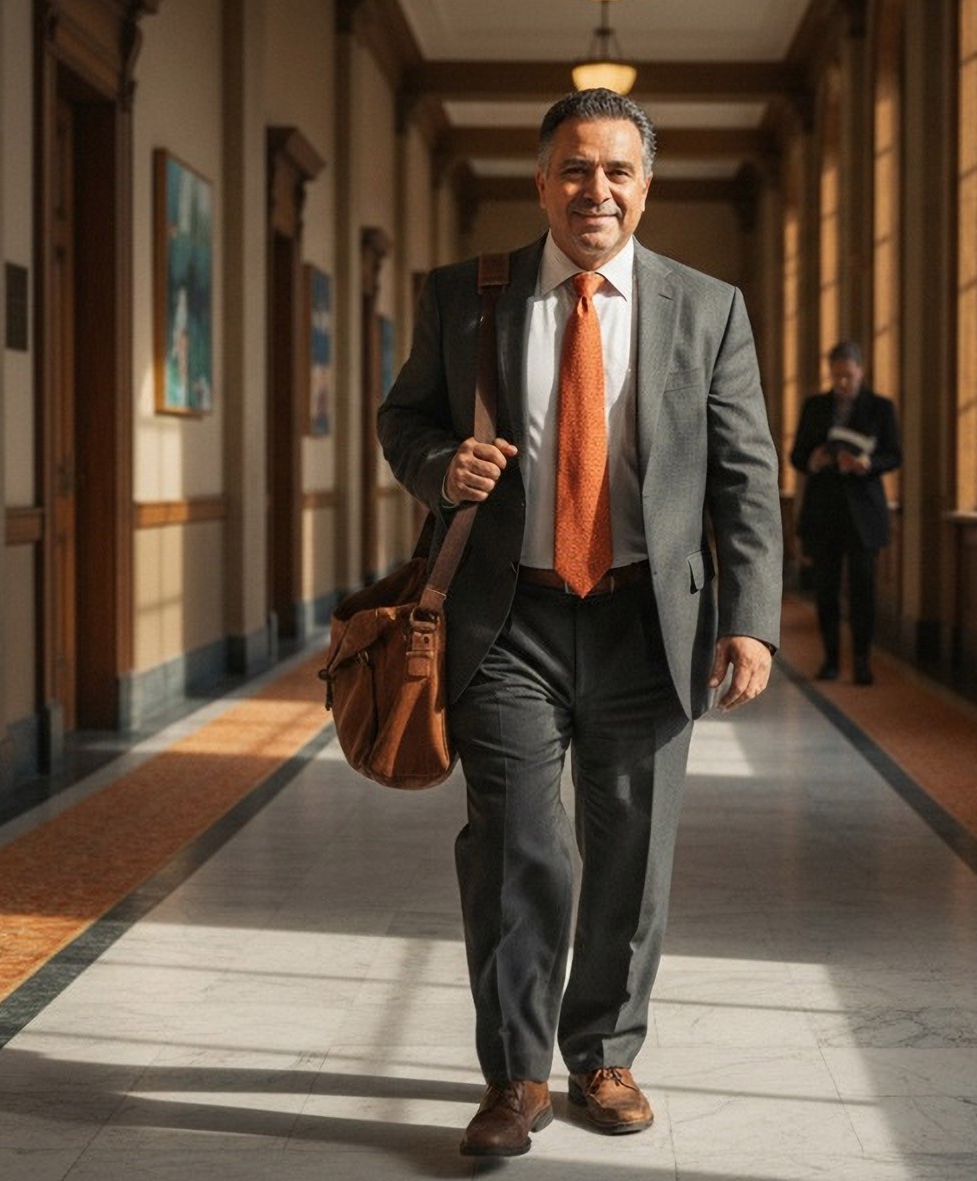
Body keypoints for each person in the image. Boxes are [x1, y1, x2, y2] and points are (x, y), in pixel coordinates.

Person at [377, 89, 783, 1159]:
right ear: (540, 181)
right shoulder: (466, 296)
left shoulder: (708, 307)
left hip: (650, 622)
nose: (593, 189)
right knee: (518, 847)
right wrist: (436, 468)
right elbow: (403, 417)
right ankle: (514, 1078)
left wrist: (750, 620)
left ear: (645, 187)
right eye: (573, 169)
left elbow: (745, 475)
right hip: (508, 618)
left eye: (616, 171)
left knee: (630, 849)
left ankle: (601, 1052)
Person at [789, 340, 901, 685]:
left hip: (864, 514)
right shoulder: (815, 407)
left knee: (863, 591)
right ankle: (832, 659)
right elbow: (796, 456)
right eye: (836, 376)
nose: (842, 384)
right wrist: (814, 459)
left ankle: (863, 662)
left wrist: (866, 463)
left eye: (848, 376)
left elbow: (894, 455)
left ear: (861, 372)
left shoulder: (880, 408)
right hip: (824, 513)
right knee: (826, 590)